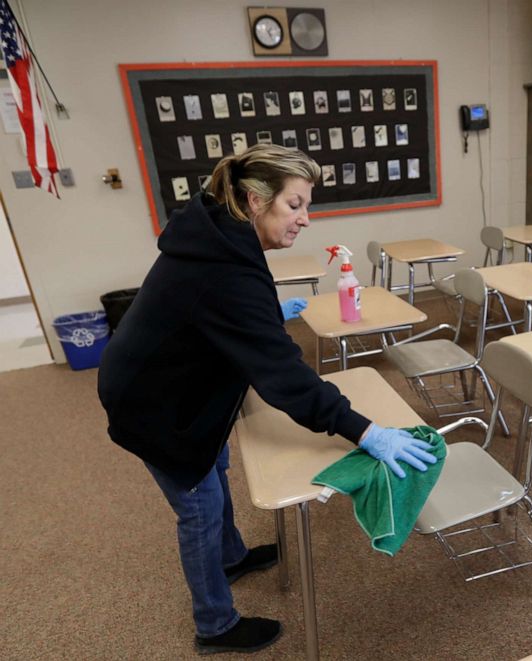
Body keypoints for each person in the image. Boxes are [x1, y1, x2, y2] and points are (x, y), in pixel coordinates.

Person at [97, 144, 436, 655]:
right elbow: (284, 379)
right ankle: (214, 625)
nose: (306, 218)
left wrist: (262, 312)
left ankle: (231, 556)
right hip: (154, 405)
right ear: (256, 201)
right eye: (295, 204)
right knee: (199, 507)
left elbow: (207, 309)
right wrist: (368, 432)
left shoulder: (219, 233)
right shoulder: (225, 265)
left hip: (178, 384)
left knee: (216, 462)